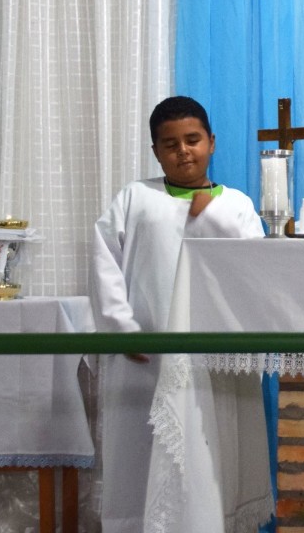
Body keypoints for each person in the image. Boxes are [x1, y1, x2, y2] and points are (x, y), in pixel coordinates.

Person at [90, 96, 264, 533]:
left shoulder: (237, 204)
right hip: (145, 355)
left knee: (211, 456)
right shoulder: (135, 197)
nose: (183, 151)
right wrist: (122, 329)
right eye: (170, 144)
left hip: (214, 359)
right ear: (155, 151)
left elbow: (258, 269)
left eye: (193, 140)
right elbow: (104, 262)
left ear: (212, 142)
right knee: (139, 455)